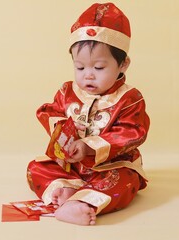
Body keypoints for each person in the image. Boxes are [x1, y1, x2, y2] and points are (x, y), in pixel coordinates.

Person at [27, 2, 150, 225]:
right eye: (80, 67)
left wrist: (89, 146)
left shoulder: (130, 99)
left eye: (99, 68)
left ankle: (83, 204)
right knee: (37, 166)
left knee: (124, 181)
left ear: (123, 64)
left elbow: (134, 131)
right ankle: (64, 190)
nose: (88, 76)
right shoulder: (67, 91)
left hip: (112, 166)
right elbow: (50, 112)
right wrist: (62, 134)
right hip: (72, 166)